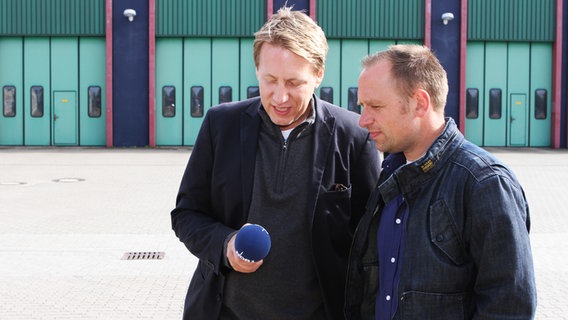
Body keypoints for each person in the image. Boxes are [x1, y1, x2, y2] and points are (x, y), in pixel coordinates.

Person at [171, 6, 381, 320]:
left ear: (318, 74)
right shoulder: (221, 125)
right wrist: (225, 245)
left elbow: (369, 241)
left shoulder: (353, 137)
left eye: (294, 83)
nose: (280, 97)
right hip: (225, 312)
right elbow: (187, 214)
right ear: (257, 70)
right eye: (270, 80)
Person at [345, 44, 537, 319]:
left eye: (375, 106)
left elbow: (509, 306)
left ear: (420, 103)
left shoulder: (483, 183)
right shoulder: (389, 173)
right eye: (362, 106)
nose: (363, 120)